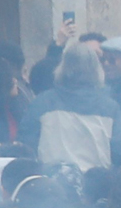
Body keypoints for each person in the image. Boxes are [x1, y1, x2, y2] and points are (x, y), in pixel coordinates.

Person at [21, 42, 121, 171]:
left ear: (62, 67)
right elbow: (118, 152)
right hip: (96, 184)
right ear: (96, 68)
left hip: (53, 181)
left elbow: (26, 145)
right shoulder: (110, 108)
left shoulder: (42, 103)